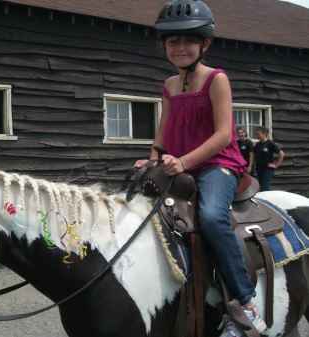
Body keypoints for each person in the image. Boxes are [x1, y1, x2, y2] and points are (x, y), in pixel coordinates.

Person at [134, 1, 266, 336]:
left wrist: (183, 161)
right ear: (164, 45)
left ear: (204, 44)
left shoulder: (216, 79)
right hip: (177, 165)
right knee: (138, 207)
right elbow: (163, 135)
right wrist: (152, 158)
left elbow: (224, 134)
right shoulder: (168, 86)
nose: (179, 47)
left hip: (217, 165)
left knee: (210, 217)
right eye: (172, 41)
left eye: (188, 40)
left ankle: (244, 300)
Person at [254, 126, 284, 191]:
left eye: (259, 134)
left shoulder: (270, 143)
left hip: (268, 170)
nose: (257, 136)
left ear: (264, 134)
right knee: (261, 187)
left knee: (265, 188)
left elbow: (281, 154)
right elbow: (255, 154)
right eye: (256, 134)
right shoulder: (258, 144)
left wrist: (276, 165)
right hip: (259, 169)